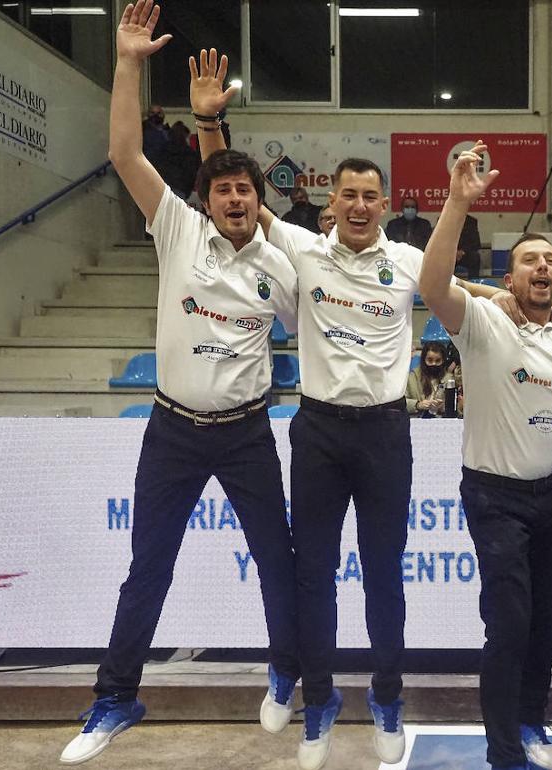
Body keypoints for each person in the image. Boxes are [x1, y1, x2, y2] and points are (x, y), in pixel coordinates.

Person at [189, 48, 515, 770]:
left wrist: (521, 302)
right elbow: (230, 191)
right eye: (348, 196)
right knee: (313, 575)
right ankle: (321, 703)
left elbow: (460, 288)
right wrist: (210, 121)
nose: (360, 206)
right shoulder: (301, 248)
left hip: (384, 436)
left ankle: (388, 698)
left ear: (384, 202)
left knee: (383, 575)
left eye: (371, 196)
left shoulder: (404, 260)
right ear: (330, 202)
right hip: (318, 433)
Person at [60, 5, 300, 765]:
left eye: (245, 192)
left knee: (277, 558)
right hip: (171, 430)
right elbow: (125, 151)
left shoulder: (281, 265)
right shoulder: (178, 228)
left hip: (247, 433)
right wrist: (129, 61)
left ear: (260, 203)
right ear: (205, 199)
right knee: (148, 568)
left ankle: (287, 674)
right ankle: (113, 698)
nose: (233, 199)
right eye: (221, 189)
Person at [418, 142, 552, 770]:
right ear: (509, 276)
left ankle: (529, 720)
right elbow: (433, 283)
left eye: (549, 260)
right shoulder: (485, 322)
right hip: (494, 496)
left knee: (550, 621)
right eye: (527, 262)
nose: (541, 268)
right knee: (510, 624)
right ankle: (505, 753)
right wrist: (459, 203)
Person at [406, 341, 461, 417]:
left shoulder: (450, 379)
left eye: (438, 361)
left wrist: (444, 406)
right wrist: (417, 404)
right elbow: (401, 403)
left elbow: (459, 404)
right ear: (423, 360)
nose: (433, 364)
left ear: (443, 360)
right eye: (430, 360)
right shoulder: (412, 378)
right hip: (417, 419)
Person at [457, 213, 483, 278]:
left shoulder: (471, 221)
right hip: (449, 253)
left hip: (465, 253)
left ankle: (473, 282)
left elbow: (476, 243)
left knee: (475, 257)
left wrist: (462, 251)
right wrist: (454, 252)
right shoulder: (444, 220)